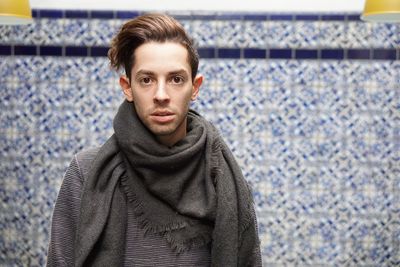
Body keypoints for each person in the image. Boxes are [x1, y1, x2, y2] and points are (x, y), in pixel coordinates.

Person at [47, 13, 261, 266]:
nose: (161, 95)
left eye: (176, 79)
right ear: (127, 87)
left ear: (195, 87)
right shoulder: (87, 171)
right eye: (146, 80)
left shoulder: (225, 179)